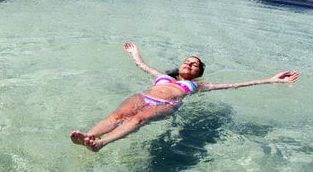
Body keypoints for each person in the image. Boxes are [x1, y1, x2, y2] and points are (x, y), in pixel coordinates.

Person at [69, 41, 299, 152]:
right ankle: (88, 136)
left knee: (138, 120)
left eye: (194, 64)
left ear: (198, 72)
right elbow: (142, 65)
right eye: (187, 61)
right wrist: (134, 51)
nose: (189, 63)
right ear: (179, 67)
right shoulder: (162, 77)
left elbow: (234, 85)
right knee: (117, 115)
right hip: (143, 96)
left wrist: (271, 79)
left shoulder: (197, 86)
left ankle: (101, 143)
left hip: (166, 103)